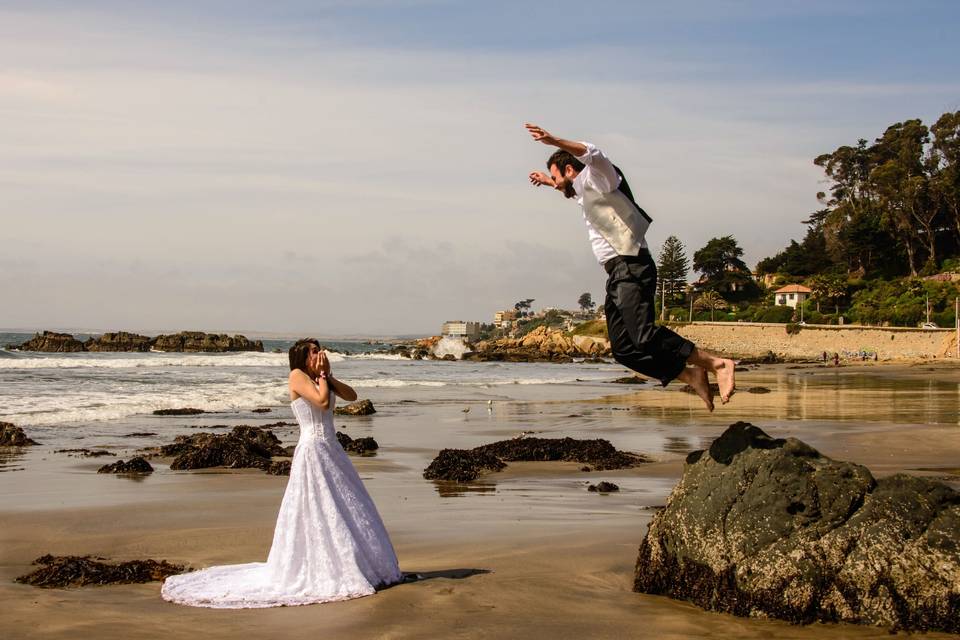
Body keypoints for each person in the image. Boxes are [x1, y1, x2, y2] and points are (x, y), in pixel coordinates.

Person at [161, 338, 402, 608]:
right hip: (313, 449)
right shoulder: (297, 376)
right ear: (302, 357)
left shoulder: (321, 377)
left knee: (347, 505)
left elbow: (352, 396)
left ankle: (360, 562)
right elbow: (322, 403)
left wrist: (329, 375)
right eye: (313, 351)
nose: (319, 354)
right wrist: (323, 376)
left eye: (319, 350)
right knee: (316, 507)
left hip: (331, 448)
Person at [525, 123, 735, 411]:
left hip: (631, 265)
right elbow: (574, 193)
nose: (555, 181)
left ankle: (717, 364)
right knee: (624, 350)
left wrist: (554, 141)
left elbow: (593, 153)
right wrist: (552, 184)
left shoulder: (600, 178)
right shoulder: (584, 192)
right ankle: (688, 373)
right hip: (616, 273)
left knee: (644, 336)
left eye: (556, 175)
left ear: (570, 170)